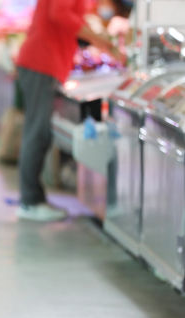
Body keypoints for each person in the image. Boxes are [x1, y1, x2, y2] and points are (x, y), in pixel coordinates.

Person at [15, 0, 125, 221]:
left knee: (38, 133)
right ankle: (30, 201)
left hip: (45, 62)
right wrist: (98, 38)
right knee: (37, 133)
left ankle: (32, 199)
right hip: (41, 62)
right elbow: (60, 14)